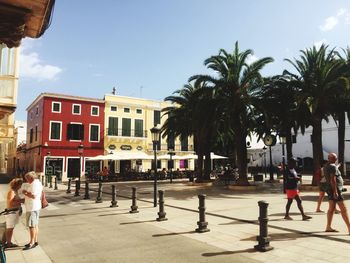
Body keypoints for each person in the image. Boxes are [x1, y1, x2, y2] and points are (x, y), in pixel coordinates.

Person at [324, 153, 350, 234]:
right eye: (334, 158)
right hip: (335, 190)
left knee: (331, 209)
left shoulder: (327, 165)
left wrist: (337, 166)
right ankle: (349, 228)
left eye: (336, 158)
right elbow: (333, 179)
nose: (335, 159)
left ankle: (328, 227)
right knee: (344, 210)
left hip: (329, 189)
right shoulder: (332, 166)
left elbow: (333, 170)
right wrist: (335, 192)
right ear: (329, 158)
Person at [22, 171, 43, 250]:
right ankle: (35, 240)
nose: (26, 180)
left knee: (31, 226)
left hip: (32, 207)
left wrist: (25, 192)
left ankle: (32, 242)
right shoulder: (38, 183)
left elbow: (33, 196)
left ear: (31, 178)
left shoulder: (34, 184)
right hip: (36, 206)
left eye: (27, 178)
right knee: (35, 225)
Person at [4, 178, 23, 248]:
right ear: (17, 185)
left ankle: (9, 242)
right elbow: (11, 203)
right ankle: (8, 243)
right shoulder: (12, 192)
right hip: (11, 212)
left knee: (11, 228)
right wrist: (21, 201)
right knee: (10, 228)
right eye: (20, 184)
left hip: (14, 212)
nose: (21, 186)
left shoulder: (15, 191)